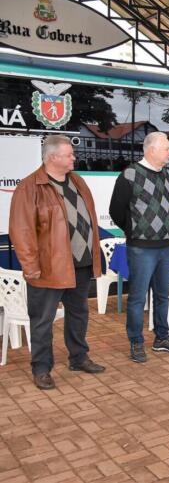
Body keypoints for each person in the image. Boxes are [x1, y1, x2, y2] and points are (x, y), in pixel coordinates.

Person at [9, 135, 105, 390]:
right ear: (53, 158)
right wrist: (31, 268)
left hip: (80, 265)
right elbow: (22, 231)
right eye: (69, 154)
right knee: (42, 320)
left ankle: (79, 357)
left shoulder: (77, 181)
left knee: (79, 314)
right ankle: (41, 368)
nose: (74, 157)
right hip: (48, 269)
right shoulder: (30, 187)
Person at [109, 132, 169, 363]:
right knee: (138, 298)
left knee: (163, 295)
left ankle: (162, 338)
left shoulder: (167, 173)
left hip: (165, 246)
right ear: (151, 150)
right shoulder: (129, 175)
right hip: (141, 248)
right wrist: (134, 231)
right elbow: (115, 210)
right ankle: (136, 341)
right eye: (167, 149)